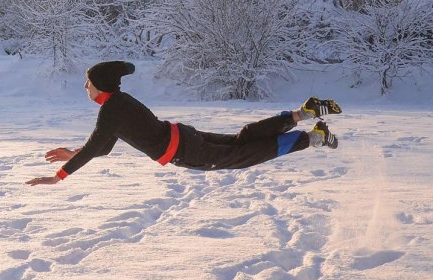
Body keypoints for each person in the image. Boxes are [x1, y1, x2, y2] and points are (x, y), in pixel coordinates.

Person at [26, 61, 340, 187]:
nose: (85, 87)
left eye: (88, 83)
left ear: (101, 86)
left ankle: (312, 137)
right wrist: (74, 153)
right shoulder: (120, 103)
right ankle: (301, 114)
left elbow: (97, 144)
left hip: (185, 151)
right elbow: (104, 146)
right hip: (185, 136)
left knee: (245, 155)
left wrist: (59, 176)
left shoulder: (111, 111)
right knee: (241, 140)